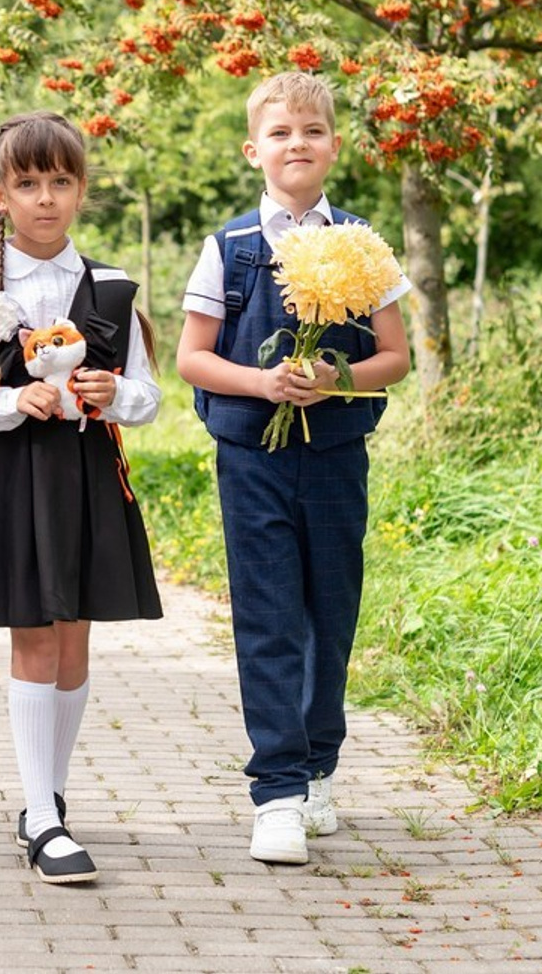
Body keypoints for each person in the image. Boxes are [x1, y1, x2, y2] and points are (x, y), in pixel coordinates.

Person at [176, 71, 410, 866]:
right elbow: (192, 358)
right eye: (280, 133)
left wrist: (336, 381)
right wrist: (264, 382)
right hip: (253, 457)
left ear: (334, 146)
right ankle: (275, 791)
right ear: (254, 151)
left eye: (311, 131)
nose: (296, 144)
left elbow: (396, 357)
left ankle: (318, 769)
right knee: (269, 614)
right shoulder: (231, 248)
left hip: (338, 458)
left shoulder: (361, 242)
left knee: (330, 613)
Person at [0, 111, 162, 885]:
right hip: (10, 476)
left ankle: (46, 797)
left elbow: (152, 397)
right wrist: (6, 406)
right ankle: (45, 822)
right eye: (27, 183)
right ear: (0, 194)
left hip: (89, 475)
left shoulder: (114, 288)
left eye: (61, 181)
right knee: (33, 636)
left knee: (75, 639)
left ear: (81, 189)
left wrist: (112, 390)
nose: (46, 198)